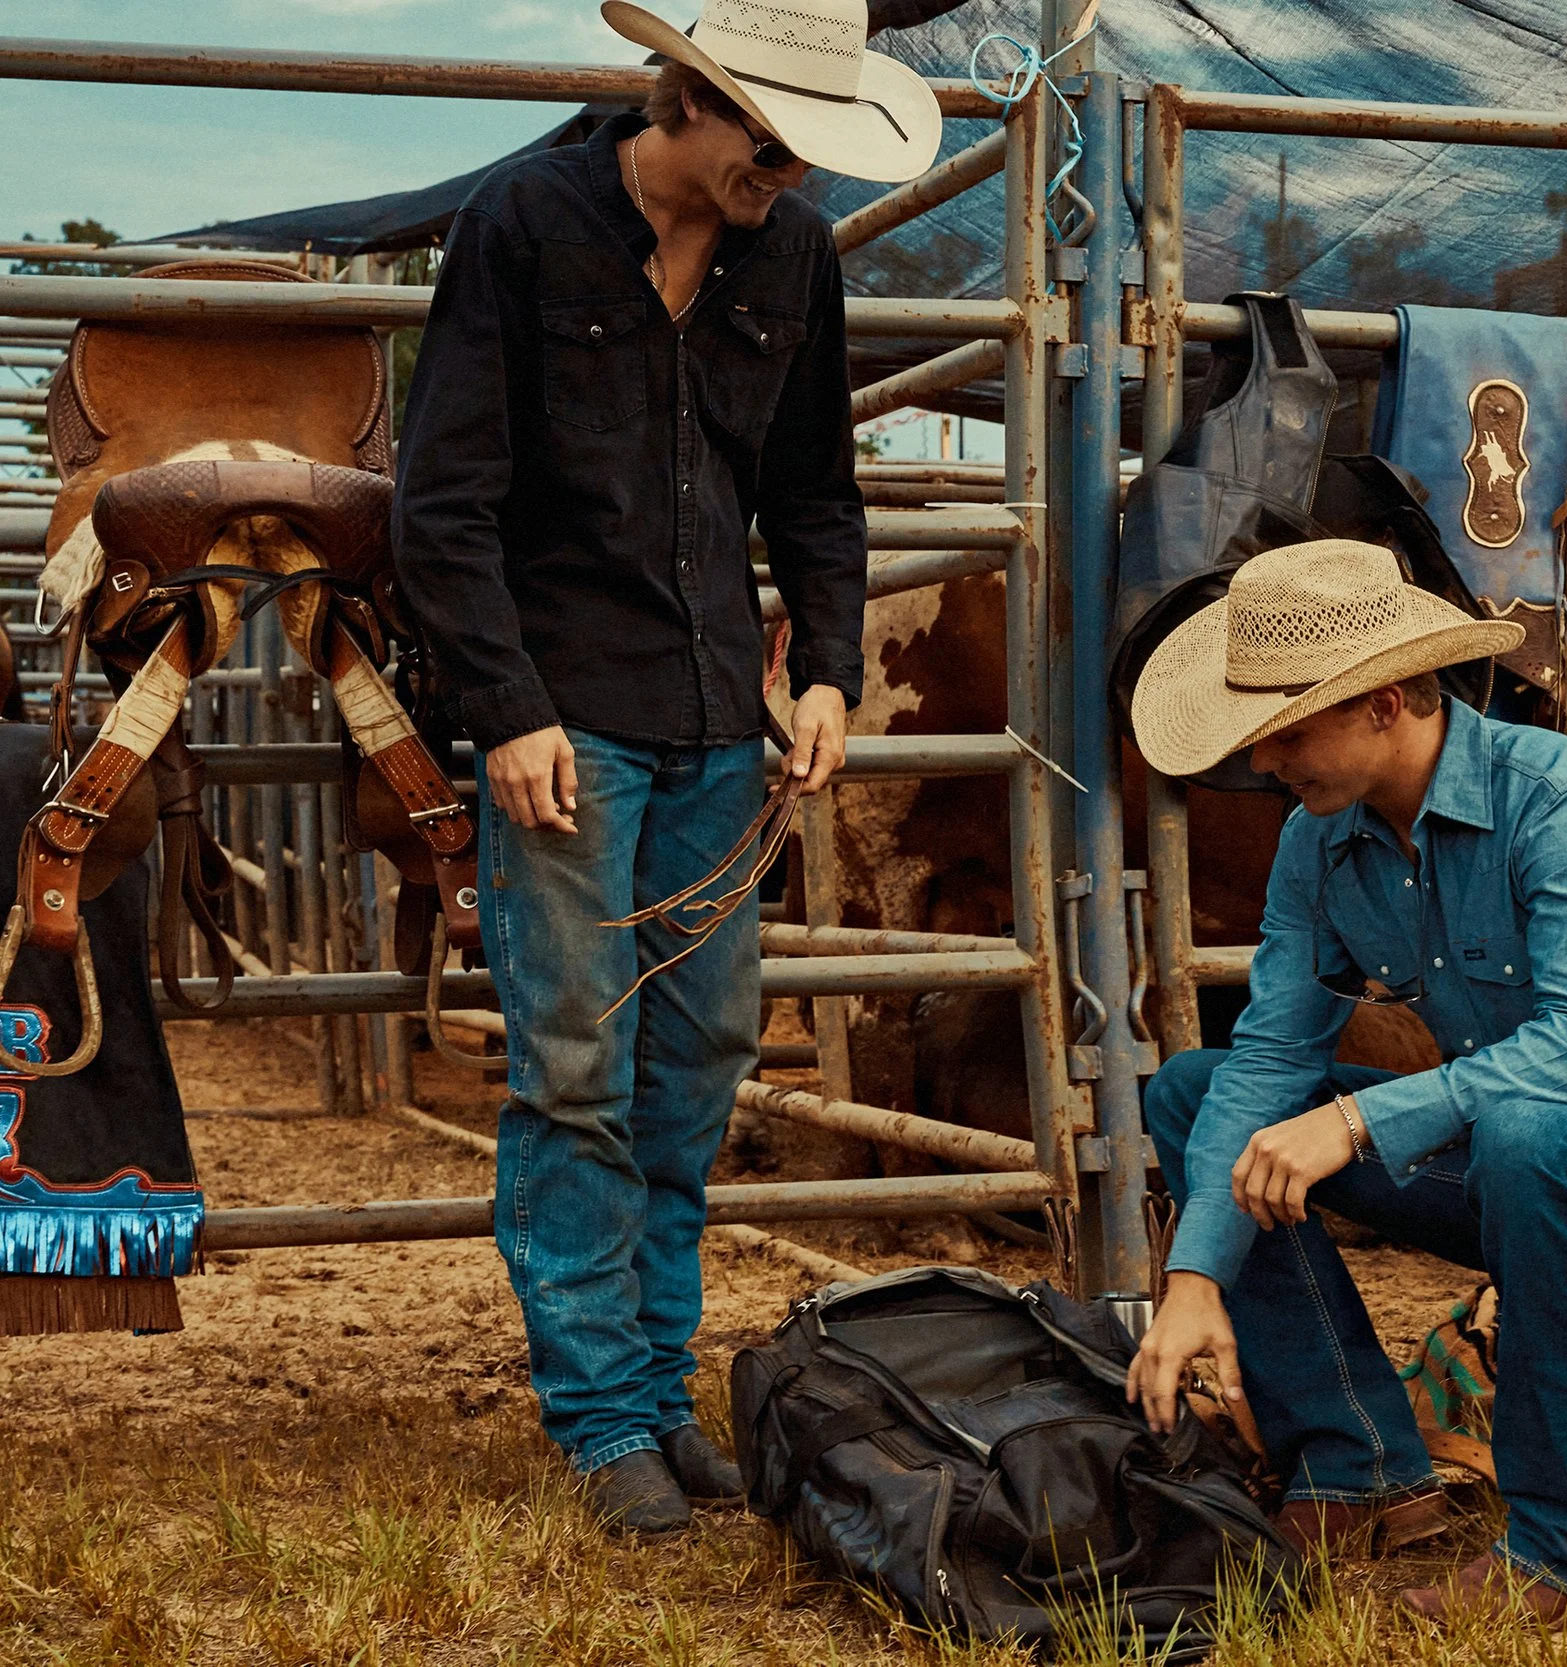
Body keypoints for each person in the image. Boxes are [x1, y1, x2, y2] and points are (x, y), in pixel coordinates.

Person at [390, 0, 938, 1534]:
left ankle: (655, 1378)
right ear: (684, 104)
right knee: (574, 1069)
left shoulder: (795, 256)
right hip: (564, 719)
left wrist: (826, 665)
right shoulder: (524, 223)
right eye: (768, 137)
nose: (788, 169)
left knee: (693, 1064)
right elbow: (441, 502)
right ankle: (603, 1418)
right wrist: (504, 705)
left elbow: (818, 494)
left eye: (806, 146)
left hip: (717, 725)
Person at [1120, 541, 1567, 1619]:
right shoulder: (1316, 842)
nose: (1267, 757)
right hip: (1513, 1165)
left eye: (1288, 727)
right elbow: (1273, 1054)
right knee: (1196, 1091)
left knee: (1532, 1138)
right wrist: (1194, 1271)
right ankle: (1357, 1466)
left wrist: (1354, 1119)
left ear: (1384, 702)